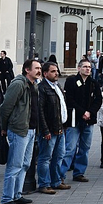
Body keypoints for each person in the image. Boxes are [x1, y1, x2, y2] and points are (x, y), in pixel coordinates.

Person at [0, 59, 41, 204]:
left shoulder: (34, 85)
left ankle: (17, 194)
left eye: (40, 68)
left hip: (31, 130)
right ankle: (7, 198)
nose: (39, 70)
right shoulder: (18, 84)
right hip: (19, 129)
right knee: (14, 165)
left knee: (25, 164)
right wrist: (4, 127)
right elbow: (5, 108)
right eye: (36, 68)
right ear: (27, 70)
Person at [61, 59, 102, 183]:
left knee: (85, 148)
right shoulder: (71, 81)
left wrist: (90, 112)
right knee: (70, 148)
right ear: (79, 68)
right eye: (85, 67)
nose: (88, 69)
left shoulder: (94, 83)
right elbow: (70, 99)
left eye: (89, 67)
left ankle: (79, 172)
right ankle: (60, 174)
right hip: (75, 119)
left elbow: (98, 100)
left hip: (89, 120)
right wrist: (82, 112)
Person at [36, 62, 68, 195]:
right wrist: (45, 130)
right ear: (45, 74)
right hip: (49, 129)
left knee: (59, 156)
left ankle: (56, 181)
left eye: (57, 71)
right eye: (53, 71)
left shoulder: (57, 86)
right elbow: (40, 111)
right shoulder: (42, 88)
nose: (57, 73)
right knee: (45, 157)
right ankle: (44, 183)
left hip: (60, 127)